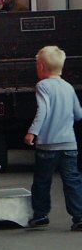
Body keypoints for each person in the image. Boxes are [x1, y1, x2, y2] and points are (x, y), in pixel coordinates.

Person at [24, 45, 82, 229]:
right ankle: (79, 216)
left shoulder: (42, 86)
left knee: (42, 180)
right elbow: (78, 113)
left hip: (48, 145)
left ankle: (40, 214)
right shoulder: (68, 87)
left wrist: (32, 131)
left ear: (41, 67)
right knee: (72, 180)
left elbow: (43, 110)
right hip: (69, 144)